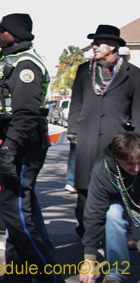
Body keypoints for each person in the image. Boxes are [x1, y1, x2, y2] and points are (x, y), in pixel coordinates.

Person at [0, 13, 58, 283]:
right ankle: (17, 276)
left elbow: (26, 114)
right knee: (15, 213)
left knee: (17, 214)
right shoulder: (10, 59)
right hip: (8, 139)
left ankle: (48, 278)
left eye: (2, 30)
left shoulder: (26, 64)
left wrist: (10, 150)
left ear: (15, 34)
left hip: (22, 144)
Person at [68, 25, 140, 239]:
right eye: (94, 43)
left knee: (121, 189)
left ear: (113, 46)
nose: (94, 47)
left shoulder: (133, 74)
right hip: (87, 138)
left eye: (99, 44)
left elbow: (137, 109)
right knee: (84, 191)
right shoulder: (84, 71)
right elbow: (76, 103)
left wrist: (136, 142)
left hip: (117, 142)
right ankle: (87, 232)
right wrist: (73, 132)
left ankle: (121, 231)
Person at [79, 132, 140, 283]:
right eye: (131, 164)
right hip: (118, 200)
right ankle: (116, 273)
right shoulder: (102, 170)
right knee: (113, 215)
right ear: (117, 159)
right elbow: (94, 213)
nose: (137, 168)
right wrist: (89, 258)